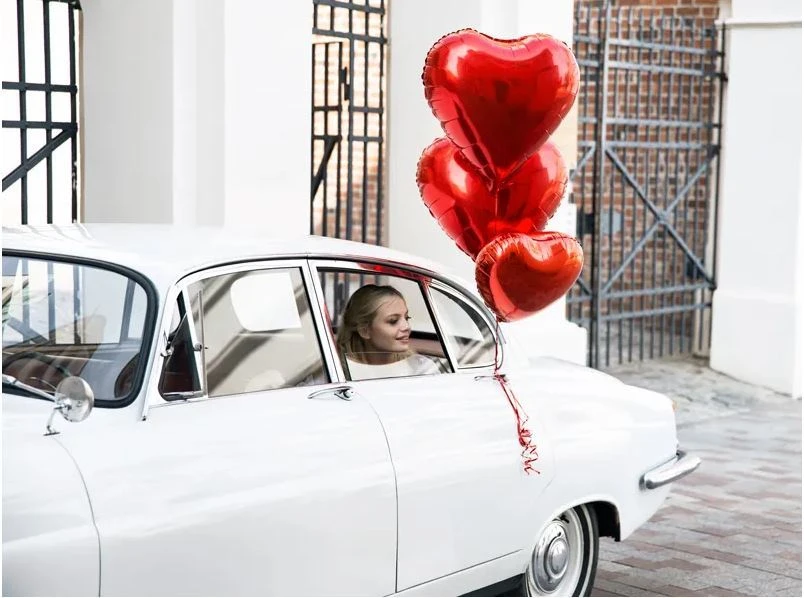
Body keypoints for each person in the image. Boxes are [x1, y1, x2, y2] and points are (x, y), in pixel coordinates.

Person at [336, 284, 444, 380]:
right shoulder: (337, 373)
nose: (407, 327)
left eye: (406, 318)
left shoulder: (423, 369)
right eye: (393, 321)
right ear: (364, 331)